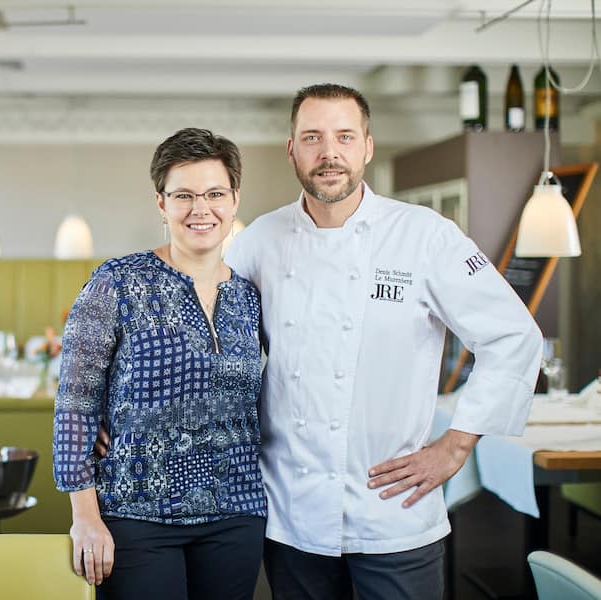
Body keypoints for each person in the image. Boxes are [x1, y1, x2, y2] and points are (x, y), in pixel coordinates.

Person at [224, 84, 542, 599]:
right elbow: (204, 341)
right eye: (312, 137)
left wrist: (456, 445)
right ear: (292, 150)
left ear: (367, 147)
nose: (329, 153)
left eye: (345, 137)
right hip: (292, 514)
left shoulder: (425, 235)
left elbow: (513, 335)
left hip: (394, 513)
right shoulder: (259, 240)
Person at [53, 127, 267, 600]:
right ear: (161, 203)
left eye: (215, 194)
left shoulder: (249, 296)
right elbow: (74, 402)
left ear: (234, 199)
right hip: (137, 515)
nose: (200, 209)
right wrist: (84, 516)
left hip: (237, 511)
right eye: (183, 195)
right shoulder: (116, 282)